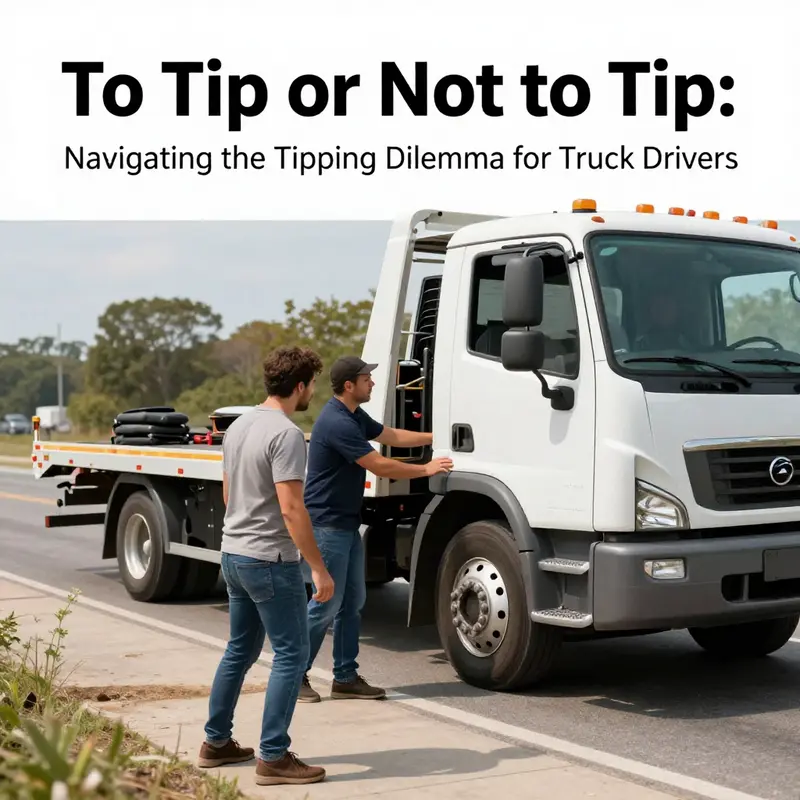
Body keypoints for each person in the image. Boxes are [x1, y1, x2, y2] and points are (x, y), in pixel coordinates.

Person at [199, 346, 335, 787]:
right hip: (269, 559)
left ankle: (215, 743)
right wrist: (318, 568)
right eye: (312, 383)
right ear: (299, 386)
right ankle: (273, 756)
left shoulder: (238, 426)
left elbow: (228, 493)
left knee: (239, 649)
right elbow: (293, 509)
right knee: (292, 655)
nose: (313, 390)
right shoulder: (287, 434)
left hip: (234, 554)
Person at [299, 355, 453, 703]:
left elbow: (390, 435)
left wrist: (438, 435)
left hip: (346, 525)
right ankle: (294, 676)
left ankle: (345, 677)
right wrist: (427, 469)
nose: (372, 382)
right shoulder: (336, 422)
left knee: (352, 602)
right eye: (366, 378)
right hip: (327, 526)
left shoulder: (353, 416)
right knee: (325, 604)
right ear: (349, 385)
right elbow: (379, 465)